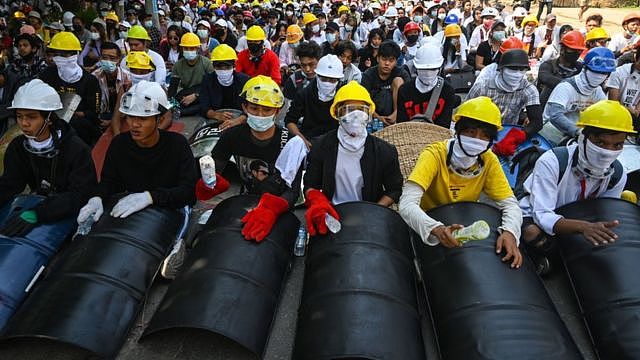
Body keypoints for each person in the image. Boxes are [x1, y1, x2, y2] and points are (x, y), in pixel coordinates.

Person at [77, 80, 197, 279]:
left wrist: (151, 197)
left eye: (143, 118)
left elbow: (188, 192)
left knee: (160, 265)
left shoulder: (177, 145)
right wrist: (97, 198)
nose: (134, 124)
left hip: (171, 207)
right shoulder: (119, 144)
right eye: (131, 117)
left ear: (159, 119)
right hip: (133, 205)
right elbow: (109, 181)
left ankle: (177, 245)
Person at [398, 96, 523, 268]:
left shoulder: (489, 161)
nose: (476, 139)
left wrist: (510, 232)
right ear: (458, 130)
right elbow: (406, 204)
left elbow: (510, 204)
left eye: (484, 135)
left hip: (464, 223)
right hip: (429, 221)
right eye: (471, 132)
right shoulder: (435, 154)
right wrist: (436, 229)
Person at [519, 100, 634, 274]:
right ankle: (543, 259)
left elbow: (603, 211)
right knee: (531, 233)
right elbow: (542, 214)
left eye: (617, 145)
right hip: (540, 214)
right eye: (601, 143)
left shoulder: (617, 173)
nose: (607, 151)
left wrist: (589, 227)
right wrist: (582, 227)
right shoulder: (553, 161)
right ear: (583, 138)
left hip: (580, 219)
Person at [194, 76, 302, 242]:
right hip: (246, 200)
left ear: (277, 111)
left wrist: (273, 209)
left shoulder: (290, 142)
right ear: (244, 107)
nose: (260, 115)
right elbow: (215, 170)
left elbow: (293, 190)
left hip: (279, 206)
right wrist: (209, 183)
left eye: (267, 110)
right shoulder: (232, 135)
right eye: (254, 108)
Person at [303, 81, 403, 235]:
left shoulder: (385, 151)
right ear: (337, 113)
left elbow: (394, 189)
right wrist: (318, 202)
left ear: (369, 115)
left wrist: (373, 211)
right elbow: (310, 184)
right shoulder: (320, 146)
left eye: (361, 109)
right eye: (348, 109)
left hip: (369, 216)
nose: (355, 115)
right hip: (332, 214)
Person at [0, 79, 96, 237]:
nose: (24, 123)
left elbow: (80, 194)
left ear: (49, 118)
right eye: (19, 116)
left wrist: (39, 213)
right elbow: (10, 184)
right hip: (38, 203)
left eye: (31, 117)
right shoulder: (18, 146)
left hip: (70, 214)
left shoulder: (76, 149)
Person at [467, 49, 542, 148]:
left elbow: (537, 122)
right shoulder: (482, 86)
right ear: (501, 69)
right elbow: (466, 114)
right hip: (479, 132)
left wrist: (517, 137)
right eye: (513, 69)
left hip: (507, 133)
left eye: (522, 69)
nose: (517, 74)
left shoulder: (528, 89)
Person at [40, 32, 102, 147]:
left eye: (65, 54)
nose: (59, 58)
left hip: (80, 131)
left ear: (75, 55)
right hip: (50, 126)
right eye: (56, 54)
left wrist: (76, 114)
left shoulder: (90, 80)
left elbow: (94, 111)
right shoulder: (47, 75)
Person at [542, 47, 615, 140]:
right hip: (552, 134)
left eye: (603, 73)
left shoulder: (597, 91)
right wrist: (578, 132)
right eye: (595, 71)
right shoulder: (566, 87)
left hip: (576, 136)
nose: (599, 76)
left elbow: (605, 113)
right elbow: (555, 115)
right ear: (585, 69)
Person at [285, 54, 344, 148]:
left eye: (332, 80)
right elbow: (290, 120)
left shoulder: (343, 95)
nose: (327, 83)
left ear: (338, 80)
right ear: (317, 75)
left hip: (337, 142)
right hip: (309, 140)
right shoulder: (304, 94)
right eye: (324, 79)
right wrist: (301, 139)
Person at [397, 43, 461, 127]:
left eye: (432, 69)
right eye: (423, 69)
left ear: (440, 68)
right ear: (416, 68)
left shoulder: (447, 91)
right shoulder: (404, 90)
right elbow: (401, 124)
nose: (428, 73)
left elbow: (444, 126)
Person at [361, 40, 411, 126]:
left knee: (398, 81)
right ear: (378, 58)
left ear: (396, 61)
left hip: (397, 115)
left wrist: (396, 114)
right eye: (384, 59)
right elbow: (363, 102)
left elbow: (409, 98)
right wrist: (377, 117)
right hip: (373, 115)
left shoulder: (402, 73)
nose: (387, 63)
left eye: (391, 60)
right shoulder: (368, 75)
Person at [200, 44, 250, 129]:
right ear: (213, 66)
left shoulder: (245, 81)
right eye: (219, 66)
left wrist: (240, 119)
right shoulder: (207, 80)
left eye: (227, 66)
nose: (223, 70)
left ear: (234, 65)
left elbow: (251, 106)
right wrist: (214, 114)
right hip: (215, 119)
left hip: (240, 119)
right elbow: (204, 105)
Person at [168, 32, 213, 116]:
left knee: (207, 100)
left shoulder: (206, 63)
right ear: (182, 49)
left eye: (192, 48)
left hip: (202, 92)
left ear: (197, 49)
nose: (189, 51)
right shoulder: (178, 65)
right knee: (177, 99)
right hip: (187, 93)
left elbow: (212, 85)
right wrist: (172, 104)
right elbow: (172, 88)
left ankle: (182, 112)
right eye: (186, 48)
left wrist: (196, 96)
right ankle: (179, 110)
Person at [538, 31, 585, 109]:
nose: (577, 53)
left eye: (580, 51)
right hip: (544, 108)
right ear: (562, 49)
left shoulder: (580, 68)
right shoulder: (548, 66)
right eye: (574, 50)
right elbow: (547, 79)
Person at [92, 42, 130, 130]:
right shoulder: (94, 77)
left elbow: (128, 105)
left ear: (119, 59)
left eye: (112, 58)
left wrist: (112, 121)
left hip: (122, 116)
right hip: (101, 116)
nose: (108, 61)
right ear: (100, 58)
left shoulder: (127, 77)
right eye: (104, 58)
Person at [607, 49, 640, 129]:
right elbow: (613, 103)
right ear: (636, 58)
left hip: (634, 115)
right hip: (613, 113)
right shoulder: (618, 72)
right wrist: (631, 111)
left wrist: (638, 109)